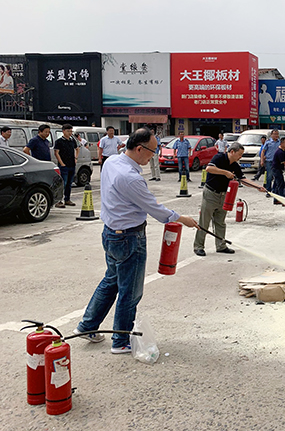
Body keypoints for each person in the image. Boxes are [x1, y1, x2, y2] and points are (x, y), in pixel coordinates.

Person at [74, 128, 199, 354]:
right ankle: (120, 341)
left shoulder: (112, 162)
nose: (154, 156)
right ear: (139, 148)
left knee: (111, 281)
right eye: (152, 151)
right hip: (129, 238)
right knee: (130, 291)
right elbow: (155, 209)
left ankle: (87, 326)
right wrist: (183, 219)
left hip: (111, 233)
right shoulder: (130, 178)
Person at [192, 142, 248, 256]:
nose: (240, 157)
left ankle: (221, 246)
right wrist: (225, 173)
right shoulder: (219, 158)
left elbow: (243, 179)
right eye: (239, 154)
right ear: (232, 152)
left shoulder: (235, 166)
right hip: (211, 194)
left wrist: (258, 187)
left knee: (220, 222)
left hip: (224, 195)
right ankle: (198, 246)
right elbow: (209, 168)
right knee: (204, 221)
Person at [53, 124, 79, 208]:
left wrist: (76, 158)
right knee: (63, 183)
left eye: (71, 131)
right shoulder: (59, 141)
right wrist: (62, 163)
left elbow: (77, 149)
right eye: (68, 131)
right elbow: (56, 153)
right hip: (64, 165)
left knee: (69, 183)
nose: (70, 133)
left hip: (72, 164)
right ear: (63, 131)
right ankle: (59, 201)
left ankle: (67, 199)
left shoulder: (72, 140)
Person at [260, 129, 280, 195]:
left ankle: (275, 190)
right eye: (274, 134)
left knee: (277, 176)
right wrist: (262, 160)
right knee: (269, 176)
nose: (276, 135)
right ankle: (268, 191)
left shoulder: (280, 142)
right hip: (269, 161)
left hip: (277, 162)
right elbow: (263, 151)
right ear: (271, 135)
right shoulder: (268, 142)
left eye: (277, 134)